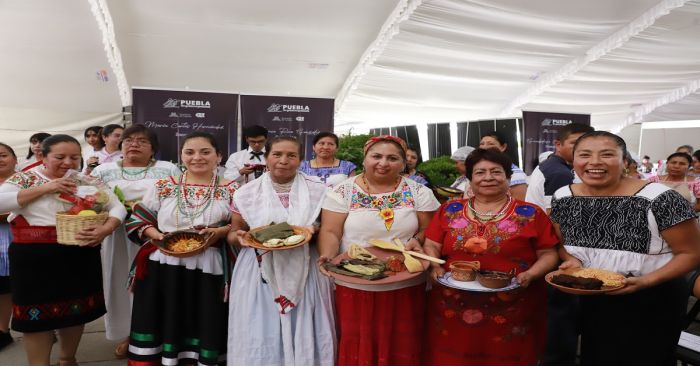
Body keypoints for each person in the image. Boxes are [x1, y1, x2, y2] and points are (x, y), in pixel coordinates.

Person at [550, 131, 700, 366]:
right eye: (585, 155)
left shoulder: (660, 198)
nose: (595, 162)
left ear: (625, 161)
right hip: (593, 292)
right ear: (573, 160)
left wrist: (645, 282)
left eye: (607, 154)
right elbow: (563, 243)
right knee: (597, 354)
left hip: (651, 296)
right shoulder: (563, 196)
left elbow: (691, 253)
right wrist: (573, 261)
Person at [422, 148, 559, 365]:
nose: (488, 177)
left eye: (496, 172)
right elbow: (431, 244)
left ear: (508, 178)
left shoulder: (531, 214)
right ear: (469, 179)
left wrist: (531, 274)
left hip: (514, 304)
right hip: (452, 305)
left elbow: (549, 254)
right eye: (480, 172)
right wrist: (434, 267)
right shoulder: (450, 209)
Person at [0, 134, 126, 366]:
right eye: (60, 157)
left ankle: (68, 359)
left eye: (74, 157)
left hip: (79, 253)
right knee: (34, 317)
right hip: (34, 258)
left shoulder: (84, 181)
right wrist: (46, 188)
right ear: (43, 157)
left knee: (75, 311)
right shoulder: (26, 179)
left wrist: (106, 228)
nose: (68, 162)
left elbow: (117, 206)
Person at [318, 135, 440, 366]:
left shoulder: (418, 192)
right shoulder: (342, 192)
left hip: (405, 280)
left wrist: (416, 238)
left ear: (404, 163)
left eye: (392, 158)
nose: (383, 162)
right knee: (359, 341)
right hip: (355, 280)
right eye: (376, 156)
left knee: (404, 341)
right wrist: (328, 255)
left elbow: (429, 230)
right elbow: (331, 232)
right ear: (364, 160)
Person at [125, 132, 237, 366]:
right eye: (190, 152)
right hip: (164, 263)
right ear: (181, 156)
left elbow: (239, 226)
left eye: (205, 152)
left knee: (203, 318)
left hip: (209, 265)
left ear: (219, 156)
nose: (197, 157)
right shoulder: (164, 186)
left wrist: (220, 232)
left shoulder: (233, 189)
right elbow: (138, 219)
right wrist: (158, 236)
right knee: (164, 317)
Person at [227, 136, 336, 365]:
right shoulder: (246, 193)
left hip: (306, 268)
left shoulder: (319, 190)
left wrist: (312, 230)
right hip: (258, 271)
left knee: (305, 321)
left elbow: (328, 228)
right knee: (261, 325)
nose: (283, 160)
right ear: (266, 158)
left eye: (291, 155)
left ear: (301, 160)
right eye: (277, 154)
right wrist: (239, 238)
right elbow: (234, 232)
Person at [90, 124, 181, 358]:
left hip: (153, 236)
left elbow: (178, 199)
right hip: (116, 237)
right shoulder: (103, 170)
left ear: (153, 149)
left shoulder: (167, 168)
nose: (134, 144)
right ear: (120, 146)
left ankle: (154, 334)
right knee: (119, 284)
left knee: (151, 284)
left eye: (142, 141)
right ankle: (127, 334)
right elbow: (90, 199)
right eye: (129, 140)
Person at [526, 123, 593, 212]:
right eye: (575, 143)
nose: (583, 148)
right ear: (558, 145)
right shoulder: (559, 173)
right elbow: (558, 220)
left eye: (588, 143)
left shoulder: (552, 165)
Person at [0, 142, 17, 351]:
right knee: (2, 289)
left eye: (3, 155)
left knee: (31, 286)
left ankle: (45, 328)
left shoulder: (29, 182)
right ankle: (3, 330)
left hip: (26, 241)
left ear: (15, 159)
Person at [479, 132, 528, 200]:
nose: (485, 147)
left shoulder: (516, 175)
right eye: (482, 144)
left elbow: (519, 205)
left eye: (490, 144)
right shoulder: (476, 169)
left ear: (503, 147)